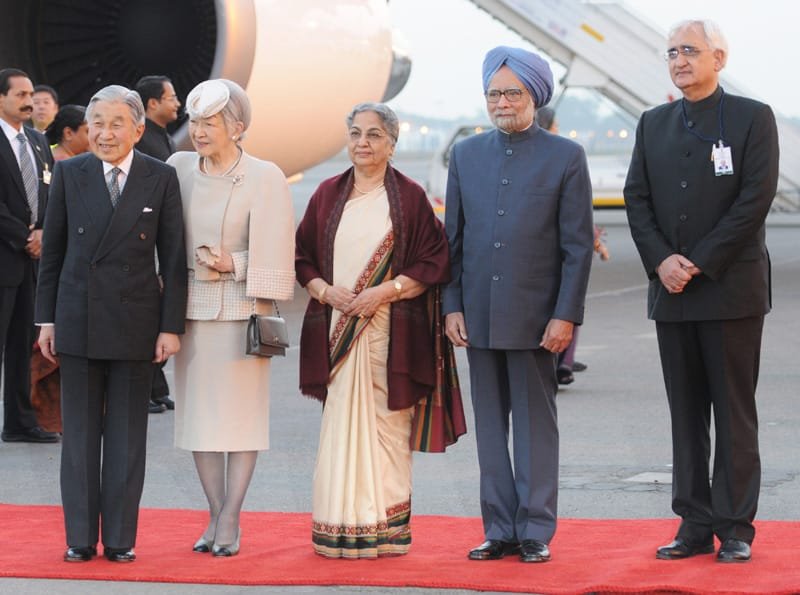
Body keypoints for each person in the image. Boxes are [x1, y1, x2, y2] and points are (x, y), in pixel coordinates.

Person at [624, 20, 779, 564]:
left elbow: (755, 198)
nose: (679, 60)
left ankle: (735, 526)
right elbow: (636, 199)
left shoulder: (753, 118)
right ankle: (693, 523)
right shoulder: (653, 123)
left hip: (730, 290)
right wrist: (661, 261)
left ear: (720, 57)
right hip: (671, 292)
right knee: (686, 415)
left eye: (690, 50)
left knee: (733, 413)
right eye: (671, 52)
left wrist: (699, 261)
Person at [443, 46, 593, 563]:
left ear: (535, 96)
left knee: (534, 428)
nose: (502, 102)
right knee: (489, 428)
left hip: (537, 319)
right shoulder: (466, 155)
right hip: (478, 315)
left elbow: (577, 247)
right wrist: (451, 305)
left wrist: (565, 315)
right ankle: (498, 528)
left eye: (513, 92)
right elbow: (453, 241)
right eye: (494, 93)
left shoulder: (565, 157)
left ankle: (534, 530)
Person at [36, 85, 187, 563]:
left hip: (135, 322)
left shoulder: (160, 177)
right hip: (77, 318)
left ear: (138, 130)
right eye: (96, 124)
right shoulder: (70, 173)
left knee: (126, 439)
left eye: (115, 124)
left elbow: (174, 258)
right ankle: (79, 538)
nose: (104, 133)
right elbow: (53, 252)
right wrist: (46, 320)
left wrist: (170, 327)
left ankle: (121, 538)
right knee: (79, 438)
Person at [295, 102, 451, 559]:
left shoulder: (410, 198)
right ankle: (341, 527)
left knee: (388, 429)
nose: (362, 143)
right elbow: (302, 257)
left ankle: (387, 528)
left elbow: (434, 262)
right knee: (340, 428)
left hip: (391, 333)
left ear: (392, 144)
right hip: (338, 330)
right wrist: (326, 292)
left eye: (374, 135)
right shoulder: (326, 194)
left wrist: (384, 292)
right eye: (355, 134)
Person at [168, 79, 295, 558]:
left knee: (241, 423)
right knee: (199, 423)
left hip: (244, 317)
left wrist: (234, 264)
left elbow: (280, 250)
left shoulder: (265, 175)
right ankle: (215, 511)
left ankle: (231, 517)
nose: (199, 132)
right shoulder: (178, 168)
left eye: (210, 123)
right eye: (195, 122)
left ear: (238, 127)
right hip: (192, 315)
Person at [0, 68, 58, 444]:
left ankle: (19, 422)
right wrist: (24, 236)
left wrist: (43, 232)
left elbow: (49, 191)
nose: (29, 101)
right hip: (6, 253)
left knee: (23, 344)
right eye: (20, 94)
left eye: (31, 94)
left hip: (31, 262)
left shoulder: (37, 141)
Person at [533, 106, 608, 385]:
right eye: (555, 125)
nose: (557, 129)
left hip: (551, 250)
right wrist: (595, 241)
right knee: (566, 306)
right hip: (556, 253)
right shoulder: (564, 155)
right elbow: (578, 214)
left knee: (562, 308)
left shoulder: (556, 155)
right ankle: (562, 362)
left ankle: (562, 361)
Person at [135, 74, 182, 414]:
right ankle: (145, 388)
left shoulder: (162, 136)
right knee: (148, 317)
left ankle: (156, 386)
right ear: (152, 103)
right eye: (171, 97)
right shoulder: (143, 142)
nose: (177, 103)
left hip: (163, 234)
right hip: (147, 240)